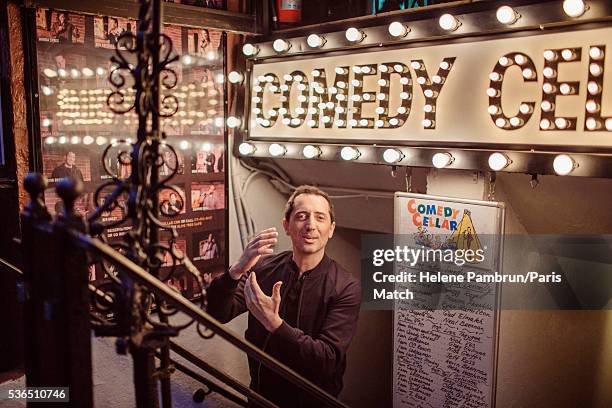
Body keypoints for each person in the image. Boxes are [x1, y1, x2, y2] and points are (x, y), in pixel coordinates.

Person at [207, 185, 361, 407]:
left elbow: (326, 360)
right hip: (261, 398)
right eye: (301, 216)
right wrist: (236, 270)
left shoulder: (346, 287)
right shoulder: (263, 268)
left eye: (320, 217)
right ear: (286, 225)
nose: (311, 225)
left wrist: (274, 324)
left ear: (331, 228)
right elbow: (217, 313)